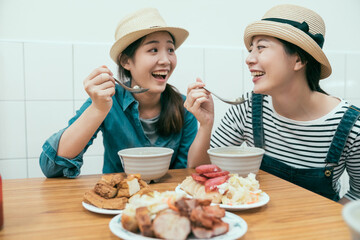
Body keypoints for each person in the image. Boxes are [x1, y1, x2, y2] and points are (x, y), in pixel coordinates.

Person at [184, 4, 360, 204]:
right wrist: (206, 125)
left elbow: (357, 195)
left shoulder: (351, 125)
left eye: (261, 47)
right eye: (251, 49)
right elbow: (199, 172)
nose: (249, 59)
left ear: (298, 60)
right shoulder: (249, 107)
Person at [39, 8, 197, 178]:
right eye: (153, 50)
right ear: (126, 61)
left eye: (170, 50)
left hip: (168, 201)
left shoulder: (185, 107)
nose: (166, 60)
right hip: (116, 200)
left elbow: (189, 173)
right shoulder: (107, 100)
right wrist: (98, 109)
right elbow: (51, 167)